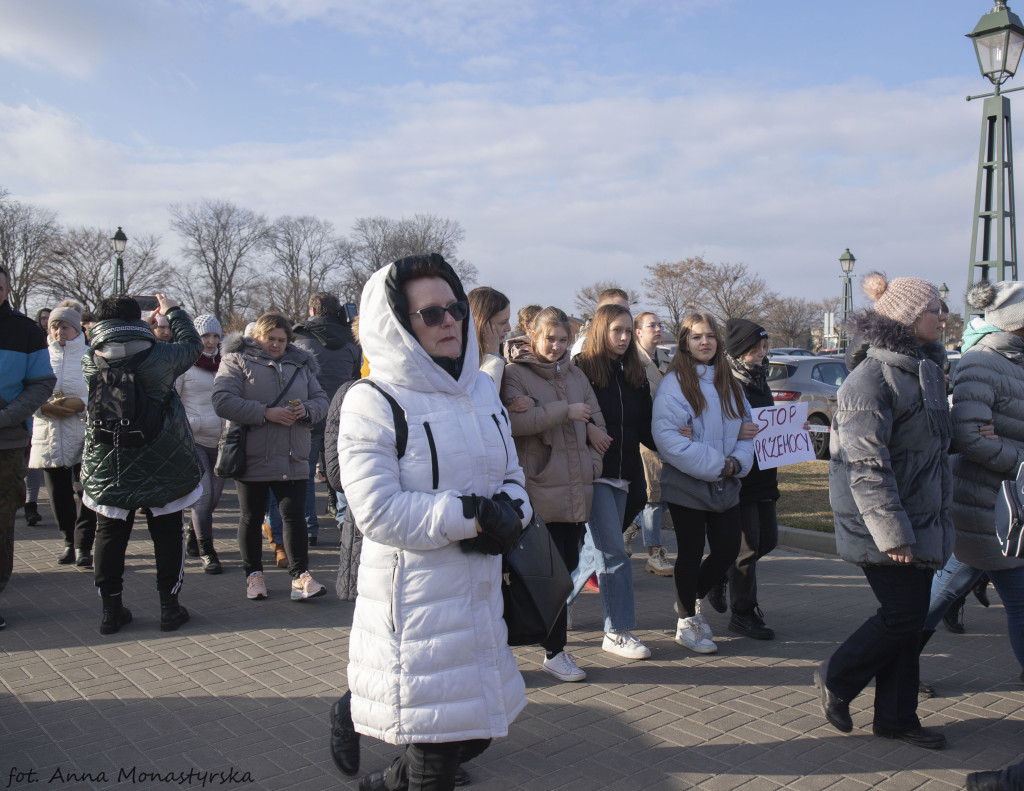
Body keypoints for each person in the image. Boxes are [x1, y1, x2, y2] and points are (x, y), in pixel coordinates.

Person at [338, 253, 531, 791]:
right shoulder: (371, 401)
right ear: (397, 325)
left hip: (480, 592)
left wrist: (513, 510)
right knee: (437, 753)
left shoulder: (482, 390)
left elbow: (511, 473)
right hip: (415, 602)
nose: (449, 321)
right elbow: (375, 510)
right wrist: (470, 516)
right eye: (430, 314)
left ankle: (374, 757)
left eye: (454, 310)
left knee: (476, 731)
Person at [816, 272, 952, 750]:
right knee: (901, 615)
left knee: (910, 617)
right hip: (883, 523)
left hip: (920, 518)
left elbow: (933, 445)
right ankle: (837, 675)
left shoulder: (925, 370)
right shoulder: (868, 381)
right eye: (936, 308)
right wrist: (892, 533)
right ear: (910, 318)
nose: (943, 316)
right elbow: (866, 465)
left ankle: (896, 717)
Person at [81, 294, 201, 635]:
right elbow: (192, 345)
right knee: (166, 531)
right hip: (162, 455)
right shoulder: (163, 355)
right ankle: (169, 608)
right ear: (140, 319)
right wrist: (173, 311)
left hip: (110, 458)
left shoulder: (89, 360)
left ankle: (110, 611)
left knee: (109, 533)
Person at [502, 305, 606, 682]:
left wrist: (593, 460)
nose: (557, 346)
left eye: (563, 340)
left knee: (564, 577)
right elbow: (515, 422)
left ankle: (554, 651)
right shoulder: (514, 374)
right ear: (533, 336)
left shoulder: (576, 374)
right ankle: (545, 650)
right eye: (550, 339)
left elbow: (595, 419)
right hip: (539, 490)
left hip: (577, 491)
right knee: (534, 577)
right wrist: (562, 410)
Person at [652, 313, 755, 654]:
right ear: (684, 343)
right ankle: (686, 621)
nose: (704, 342)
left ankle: (691, 595)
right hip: (688, 484)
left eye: (709, 336)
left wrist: (735, 462)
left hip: (726, 483)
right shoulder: (675, 384)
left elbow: (746, 430)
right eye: (696, 337)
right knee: (691, 552)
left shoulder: (731, 383)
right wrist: (720, 464)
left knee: (727, 549)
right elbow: (670, 440)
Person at [937, 281, 1024, 679]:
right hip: (987, 503)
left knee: (941, 591)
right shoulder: (981, 361)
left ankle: (887, 660)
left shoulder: (1016, 359)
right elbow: (969, 436)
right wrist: (1020, 460)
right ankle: (880, 661)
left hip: (1007, 503)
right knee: (1020, 601)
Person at [212, 312, 329, 602]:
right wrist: (265, 413)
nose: (276, 345)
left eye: (282, 339)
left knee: (294, 517)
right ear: (257, 337)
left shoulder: (301, 363)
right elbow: (222, 400)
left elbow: (321, 399)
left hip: (293, 454)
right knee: (251, 518)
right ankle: (254, 576)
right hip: (253, 453)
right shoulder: (236, 359)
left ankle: (300, 577)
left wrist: (308, 410)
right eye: (270, 339)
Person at [567, 303, 653, 660]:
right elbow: (565, 411)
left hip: (626, 475)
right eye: (616, 330)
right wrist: (588, 429)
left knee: (595, 551)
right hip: (594, 474)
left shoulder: (636, 373)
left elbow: (646, 427)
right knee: (612, 553)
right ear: (601, 330)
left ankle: (552, 608)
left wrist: (683, 443)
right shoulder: (581, 369)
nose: (623, 337)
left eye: (628, 331)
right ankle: (617, 631)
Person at [706, 318, 781, 640]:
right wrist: (736, 432)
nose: (762, 355)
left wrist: (791, 430)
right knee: (747, 548)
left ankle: (719, 573)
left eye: (764, 348)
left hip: (766, 473)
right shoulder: (725, 385)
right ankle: (743, 612)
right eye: (755, 350)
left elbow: (768, 424)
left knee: (769, 540)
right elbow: (710, 428)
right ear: (739, 353)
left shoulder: (760, 380)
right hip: (740, 475)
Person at [0, 265, 55, 630]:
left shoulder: (24, 330)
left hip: (7, 440)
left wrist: (9, 414)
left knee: (3, 520)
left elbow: (41, 381)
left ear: (5, 289)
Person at [292, 292, 362, 546]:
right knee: (343, 469)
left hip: (309, 413)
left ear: (312, 311)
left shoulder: (298, 338)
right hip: (343, 412)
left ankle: (309, 527)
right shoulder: (353, 340)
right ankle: (345, 521)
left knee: (306, 473)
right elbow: (355, 376)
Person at [29, 303, 93, 566]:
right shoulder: (40, 356)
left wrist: (82, 405)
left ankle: (84, 545)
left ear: (76, 328)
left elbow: (100, 392)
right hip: (49, 433)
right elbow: (28, 391)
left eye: (64, 326)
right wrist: (43, 408)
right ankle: (68, 540)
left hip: (82, 431)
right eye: (55, 326)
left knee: (87, 490)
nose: (59, 332)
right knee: (58, 492)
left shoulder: (91, 356)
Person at [623, 311, 674, 576]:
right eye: (651, 325)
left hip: (670, 435)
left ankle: (630, 527)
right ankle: (655, 553)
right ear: (638, 332)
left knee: (662, 496)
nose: (657, 329)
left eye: (659, 324)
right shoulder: (632, 361)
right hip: (646, 438)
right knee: (653, 496)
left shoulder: (667, 358)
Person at [175, 314, 226, 573]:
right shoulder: (184, 363)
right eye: (205, 336)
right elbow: (172, 400)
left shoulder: (226, 363)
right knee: (203, 496)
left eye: (215, 336)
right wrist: (187, 425)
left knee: (214, 497)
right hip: (194, 439)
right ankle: (208, 550)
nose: (210, 341)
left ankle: (193, 533)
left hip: (222, 440)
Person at [467, 286, 512, 390]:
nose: (509, 328)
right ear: (481, 323)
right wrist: (492, 356)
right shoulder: (459, 361)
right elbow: (485, 396)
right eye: (503, 322)